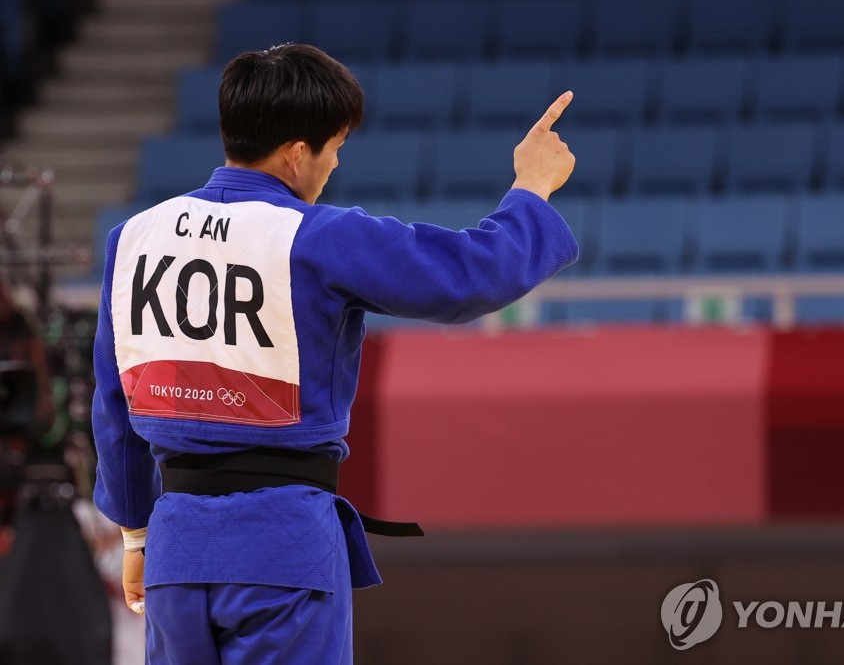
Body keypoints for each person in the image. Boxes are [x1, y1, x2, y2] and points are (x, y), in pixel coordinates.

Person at [91, 43, 577, 664]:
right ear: (298, 152)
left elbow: (114, 405)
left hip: (174, 555)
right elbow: (468, 276)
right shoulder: (316, 237)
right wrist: (531, 190)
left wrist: (136, 532)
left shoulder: (132, 238)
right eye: (335, 149)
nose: (332, 167)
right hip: (281, 547)